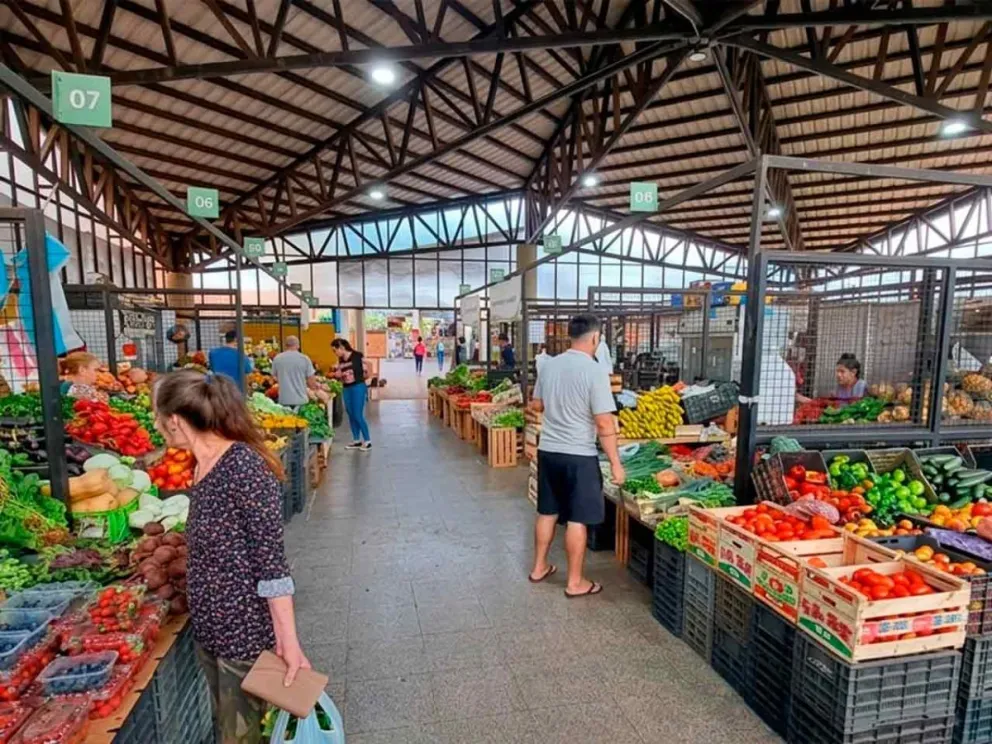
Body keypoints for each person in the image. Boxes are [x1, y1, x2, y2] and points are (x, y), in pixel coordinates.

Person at [152, 370, 309, 744]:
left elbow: (272, 563)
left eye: (156, 418)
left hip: (243, 636)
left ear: (174, 421)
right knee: (227, 727)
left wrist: (288, 641)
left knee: (242, 735)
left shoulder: (244, 467)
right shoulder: (201, 464)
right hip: (211, 628)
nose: (155, 426)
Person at [527, 314, 624, 598]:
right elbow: (605, 423)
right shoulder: (594, 371)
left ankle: (538, 567)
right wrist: (616, 464)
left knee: (547, 511)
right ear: (595, 338)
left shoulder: (549, 366)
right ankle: (575, 582)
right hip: (579, 456)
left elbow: (537, 405)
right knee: (577, 519)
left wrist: (560, 407)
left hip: (549, 451)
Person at [331, 338, 372, 451]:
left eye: (335, 350)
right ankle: (356, 440)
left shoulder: (357, 356)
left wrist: (367, 375)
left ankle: (367, 440)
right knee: (350, 413)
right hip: (347, 388)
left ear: (341, 347)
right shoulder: (341, 360)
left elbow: (368, 366)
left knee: (358, 414)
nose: (335, 353)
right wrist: (337, 374)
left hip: (358, 387)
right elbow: (340, 372)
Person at [271, 336, 317, 408]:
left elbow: (274, 377)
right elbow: (311, 382)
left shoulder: (277, 358)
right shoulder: (304, 359)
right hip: (301, 400)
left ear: (285, 345)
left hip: (284, 400)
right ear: (298, 345)